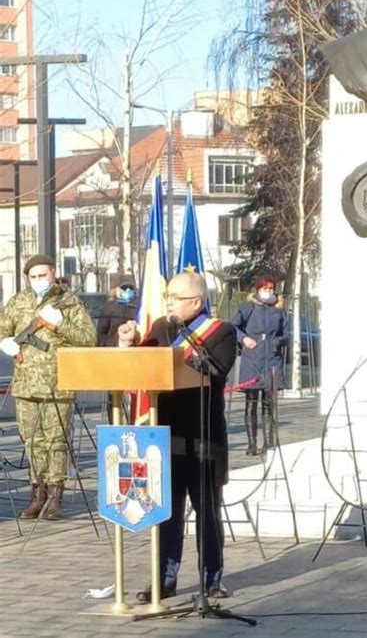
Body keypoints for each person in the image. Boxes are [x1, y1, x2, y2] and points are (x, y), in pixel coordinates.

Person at [117, 272, 237, 602]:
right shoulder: (160, 329)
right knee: (166, 513)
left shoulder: (221, 331)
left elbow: (218, 368)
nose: (169, 303)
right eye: (167, 297)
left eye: (175, 298)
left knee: (207, 512)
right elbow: (141, 366)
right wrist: (128, 343)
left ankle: (211, 578)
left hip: (204, 436)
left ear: (196, 302)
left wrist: (186, 357)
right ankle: (164, 579)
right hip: (165, 437)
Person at [0, 254, 96, 520]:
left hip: (58, 384)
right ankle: (37, 494)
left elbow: (88, 339)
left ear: (53, 273)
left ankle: (56, 496)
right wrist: (6, 342)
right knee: (32, 442)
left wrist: (60, 323)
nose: (39, 280)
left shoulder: (68, 302)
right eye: (33, 277)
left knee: (56, 442)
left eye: (43, 275)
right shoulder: (18, 301)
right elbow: (3, 329)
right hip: (25, 385)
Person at [230, 275, 288, 456]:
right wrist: (244, 339)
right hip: (252, 359)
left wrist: (278, 341)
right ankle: (252, 443)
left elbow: (286, 333)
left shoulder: (279, 312)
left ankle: (269, 442)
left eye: (271, 289)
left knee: (269, 404)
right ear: (258, 290)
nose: (268, 292)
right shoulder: (248, 308)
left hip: (271, 360)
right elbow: (232, 326)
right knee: (251, 402)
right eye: (265, 289)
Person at [97, 274, 138, 424]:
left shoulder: (139, 306)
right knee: (115, 403)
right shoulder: (110, 307)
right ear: (117, 290)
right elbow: (100, 336)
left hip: (137, 362)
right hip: (114, 359)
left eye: (130, 288)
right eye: (124, 288)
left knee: (135, 404)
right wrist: (117, 342)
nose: (128, 290)